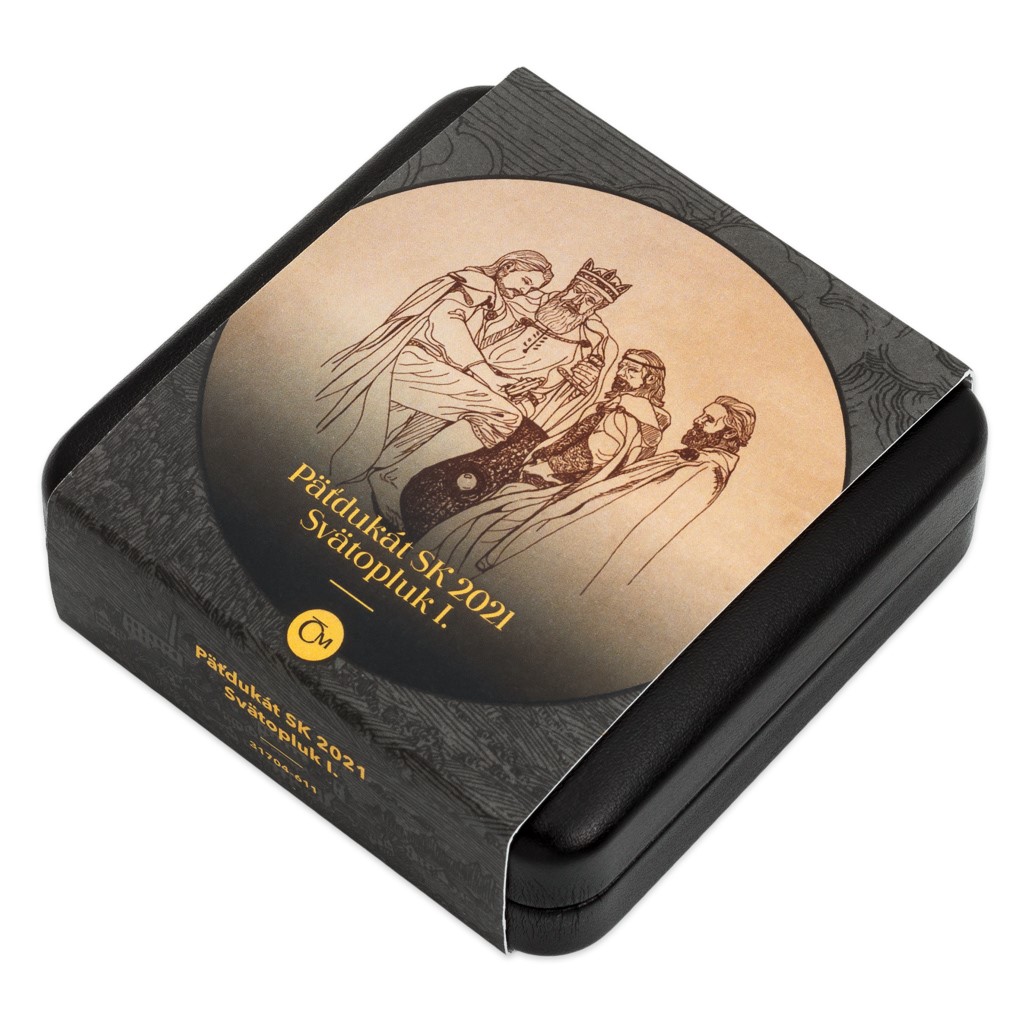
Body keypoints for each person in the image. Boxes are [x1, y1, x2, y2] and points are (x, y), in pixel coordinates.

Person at [314, 250, 554, 520]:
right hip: (412, 362)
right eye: (525, 281)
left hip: (424, 366)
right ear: (507, 267)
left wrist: (497, 381)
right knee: (506, 416)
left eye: (531, 288)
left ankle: (384, 473)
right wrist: (486, 375)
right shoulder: (477, 284)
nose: (524, 291)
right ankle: (393, 475)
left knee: (445, 417)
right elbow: (446, 323)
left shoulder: (488, 296)